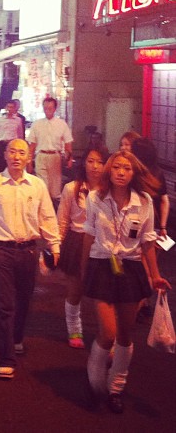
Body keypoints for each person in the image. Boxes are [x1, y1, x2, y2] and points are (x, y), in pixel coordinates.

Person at [82, 150, 171, 414]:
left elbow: (148, 241)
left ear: (134, 173)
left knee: (124, 335)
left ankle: (116, 388)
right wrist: (82, 270)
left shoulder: (144, 201)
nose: (121, 172)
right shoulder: (95, 197)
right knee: (107, 333)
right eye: (117, 167)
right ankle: (95, 382)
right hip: (102, 265)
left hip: (131, 269)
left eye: (127, 168)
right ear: (110, 170)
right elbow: (88, 235)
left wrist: (155, 276)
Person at [0, 139, 60, 380]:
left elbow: (47, 216)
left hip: (28, 250)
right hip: (1, 251)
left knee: (24, 300)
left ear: (29, 157)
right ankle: (6, 356)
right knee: (4, 304)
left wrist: (54, 244)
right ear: (5, 155)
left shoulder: (37, 186)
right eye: (12, 152)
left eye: (22, 152)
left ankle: (16, 337)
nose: (17, 157)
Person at [57, 147, 109, 349]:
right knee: (75, 290)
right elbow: (62, 221)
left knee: (104, 294)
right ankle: (74, 329)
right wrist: (55, 248)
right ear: (84, 163)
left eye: (100, 162)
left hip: (102, 244)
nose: (95, 166)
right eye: (90, 161)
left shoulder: (110, 189)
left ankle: (106, 333)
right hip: (77, 242)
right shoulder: (72, 188)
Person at [131, 137, 170, 319]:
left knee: (144, 269)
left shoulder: (137, 175)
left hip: (140, 227)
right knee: (146, 267)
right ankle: (144, 302)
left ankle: (138, 305)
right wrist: (163, 226)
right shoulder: (158, 173)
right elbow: (164, 200)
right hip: (153, 227)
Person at [27, 97, 73, 205]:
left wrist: (69, 159)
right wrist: (28, 162)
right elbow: (32, 145)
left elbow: (68, 143)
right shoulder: (37, 124)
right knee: (42, 187)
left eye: (50, 108)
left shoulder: (62, 124)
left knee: (55, 191)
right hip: (41, 157)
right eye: (45, 108)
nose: (48, 110)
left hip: (55, 158)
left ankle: (55, 213)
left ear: (55, 109)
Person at [0, 100, 24, 176]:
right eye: (8, 107)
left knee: (12, 164)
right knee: (1, 165)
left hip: (13, 145)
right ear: (6, 108)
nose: (10, 109)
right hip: (2, 144)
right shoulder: (0, 120)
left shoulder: (18, 120)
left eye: (12, 107)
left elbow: (20, 134)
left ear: (15, 108)